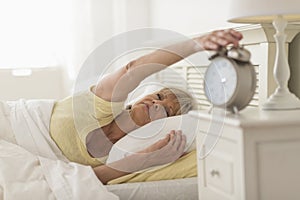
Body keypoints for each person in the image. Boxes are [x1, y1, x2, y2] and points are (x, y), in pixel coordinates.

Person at [48, 29, 243, 184]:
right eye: (159, 96)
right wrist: (195, 44)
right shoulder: (102, 104)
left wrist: (147, 158)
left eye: (167, 111)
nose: (156, 102)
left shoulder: (119, 155)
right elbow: (132, 70)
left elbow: (79, 180)